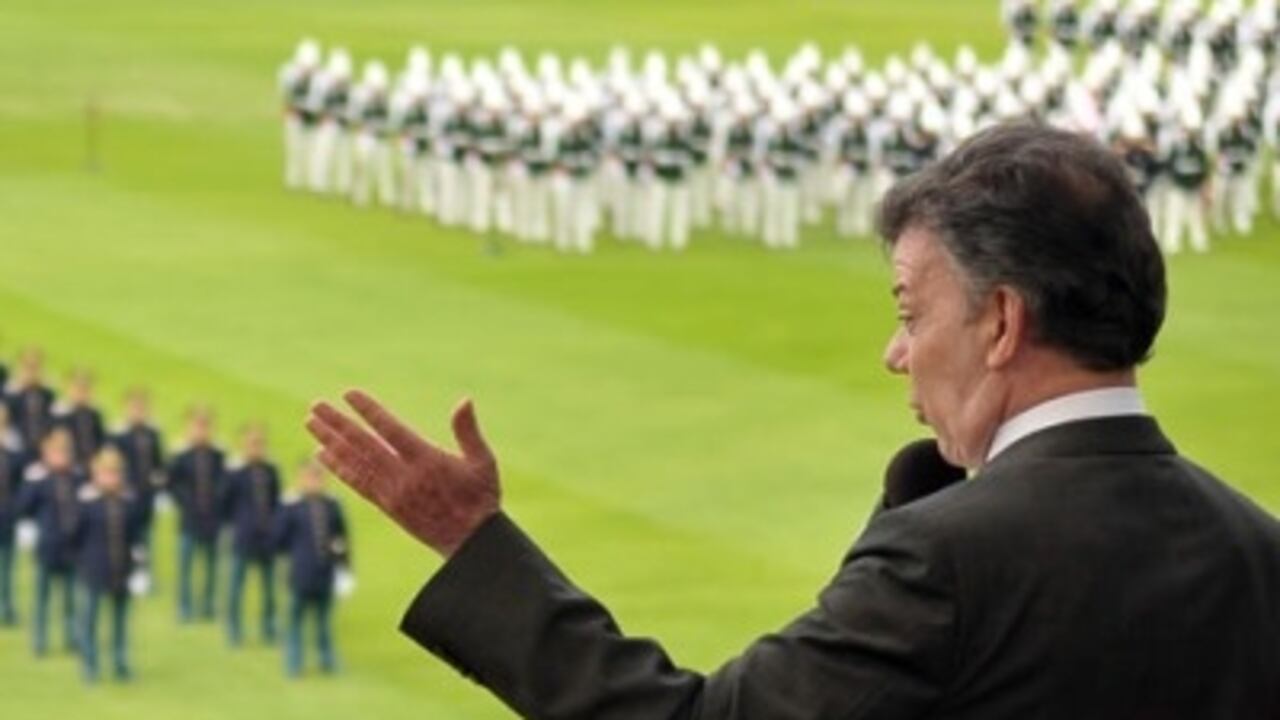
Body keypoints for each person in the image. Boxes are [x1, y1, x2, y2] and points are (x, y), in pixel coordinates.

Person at [306, 123, 1280, 718]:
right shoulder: (1257, 549)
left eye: (908, 311)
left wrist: (471, 541)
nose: (894, 352)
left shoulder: (947, 563)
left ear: (1000, 322)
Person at [72, 446, 144, 682]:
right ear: (96, 475)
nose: (111, 478)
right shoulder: (87, 502)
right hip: (94, 569)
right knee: (90, 620)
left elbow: (136, 537)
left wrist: (140, 567)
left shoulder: (128, 502)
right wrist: (81, 563)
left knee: (120, 623)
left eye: (114, 473)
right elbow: (75, 536)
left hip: (122, 569)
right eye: (106, 473)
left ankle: (120, 663)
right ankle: (90, 665)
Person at [274, 458, 350, 677]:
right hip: (300, 573)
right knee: (296, 621)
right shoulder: (293, 507)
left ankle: (327, 660)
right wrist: (283, 509)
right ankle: (294, 664)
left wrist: (345, 570)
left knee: (324, 622)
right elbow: (279, 540)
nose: (313, 482)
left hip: (325, 572)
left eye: (317, 477)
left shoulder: (332, 506)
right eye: (309, 477)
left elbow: (342, 539)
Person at [15, 427, 85, 657]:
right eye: (56, 453)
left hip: (71, 546)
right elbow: (24, 507)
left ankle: (72, 637)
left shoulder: (77, 478)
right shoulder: (39, 480)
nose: (60, 458)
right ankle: (39, 640)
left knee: (70, 598)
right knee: (42, 597)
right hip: (47, 545)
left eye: (64, 453)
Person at [221, 423, 282, 646]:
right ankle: (234, 629)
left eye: (260, 443)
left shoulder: (270, 471)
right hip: (243, 537)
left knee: (269, 588)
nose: (256, 448)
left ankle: (269, 627)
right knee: (236, 585)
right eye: (252, 443)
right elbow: (225, 503)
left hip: (267, 537)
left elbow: (277, 502)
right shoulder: (235, 473)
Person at [167, 405, 226, 622]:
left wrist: (217, 502)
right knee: (185, 565)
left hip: (211, 519)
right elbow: (171, 483)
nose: (201, 431)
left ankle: (208, 605)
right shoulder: (181, 456)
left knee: (211, 564)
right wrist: (185, 502)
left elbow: (224, 483)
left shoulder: (218, 454)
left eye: (205, 426)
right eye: (197, 426)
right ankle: (184, 606)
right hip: (188, 519)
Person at [110, 387, 164, 578]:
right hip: (126, 494)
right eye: (135, 407)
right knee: (126, 534)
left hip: (146, 494)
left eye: (142, 408)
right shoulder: (118, 435)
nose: (139, 412)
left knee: (146, 535)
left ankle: (144, 572)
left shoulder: (152, 433)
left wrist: (159, 488)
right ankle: (125, 571)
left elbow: (158, 464)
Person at [0, 404, 28, 625]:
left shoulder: (14, 450)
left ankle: (6, 606)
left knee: (7, 564)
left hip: (7, 515)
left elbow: (21, 484)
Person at [53, 368, 106, 470]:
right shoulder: (59, 414)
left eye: (86, 388)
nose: (82, 393)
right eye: (78, 388)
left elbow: (101, 441)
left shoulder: (94, 414)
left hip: (92, 466)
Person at [5, 347, 56, 451]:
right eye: (28, 366)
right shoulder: (9, 392)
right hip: (16, 446)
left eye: (35, 367)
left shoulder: (46, 394)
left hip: (42, 447)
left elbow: (52, 420)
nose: (31, 372)